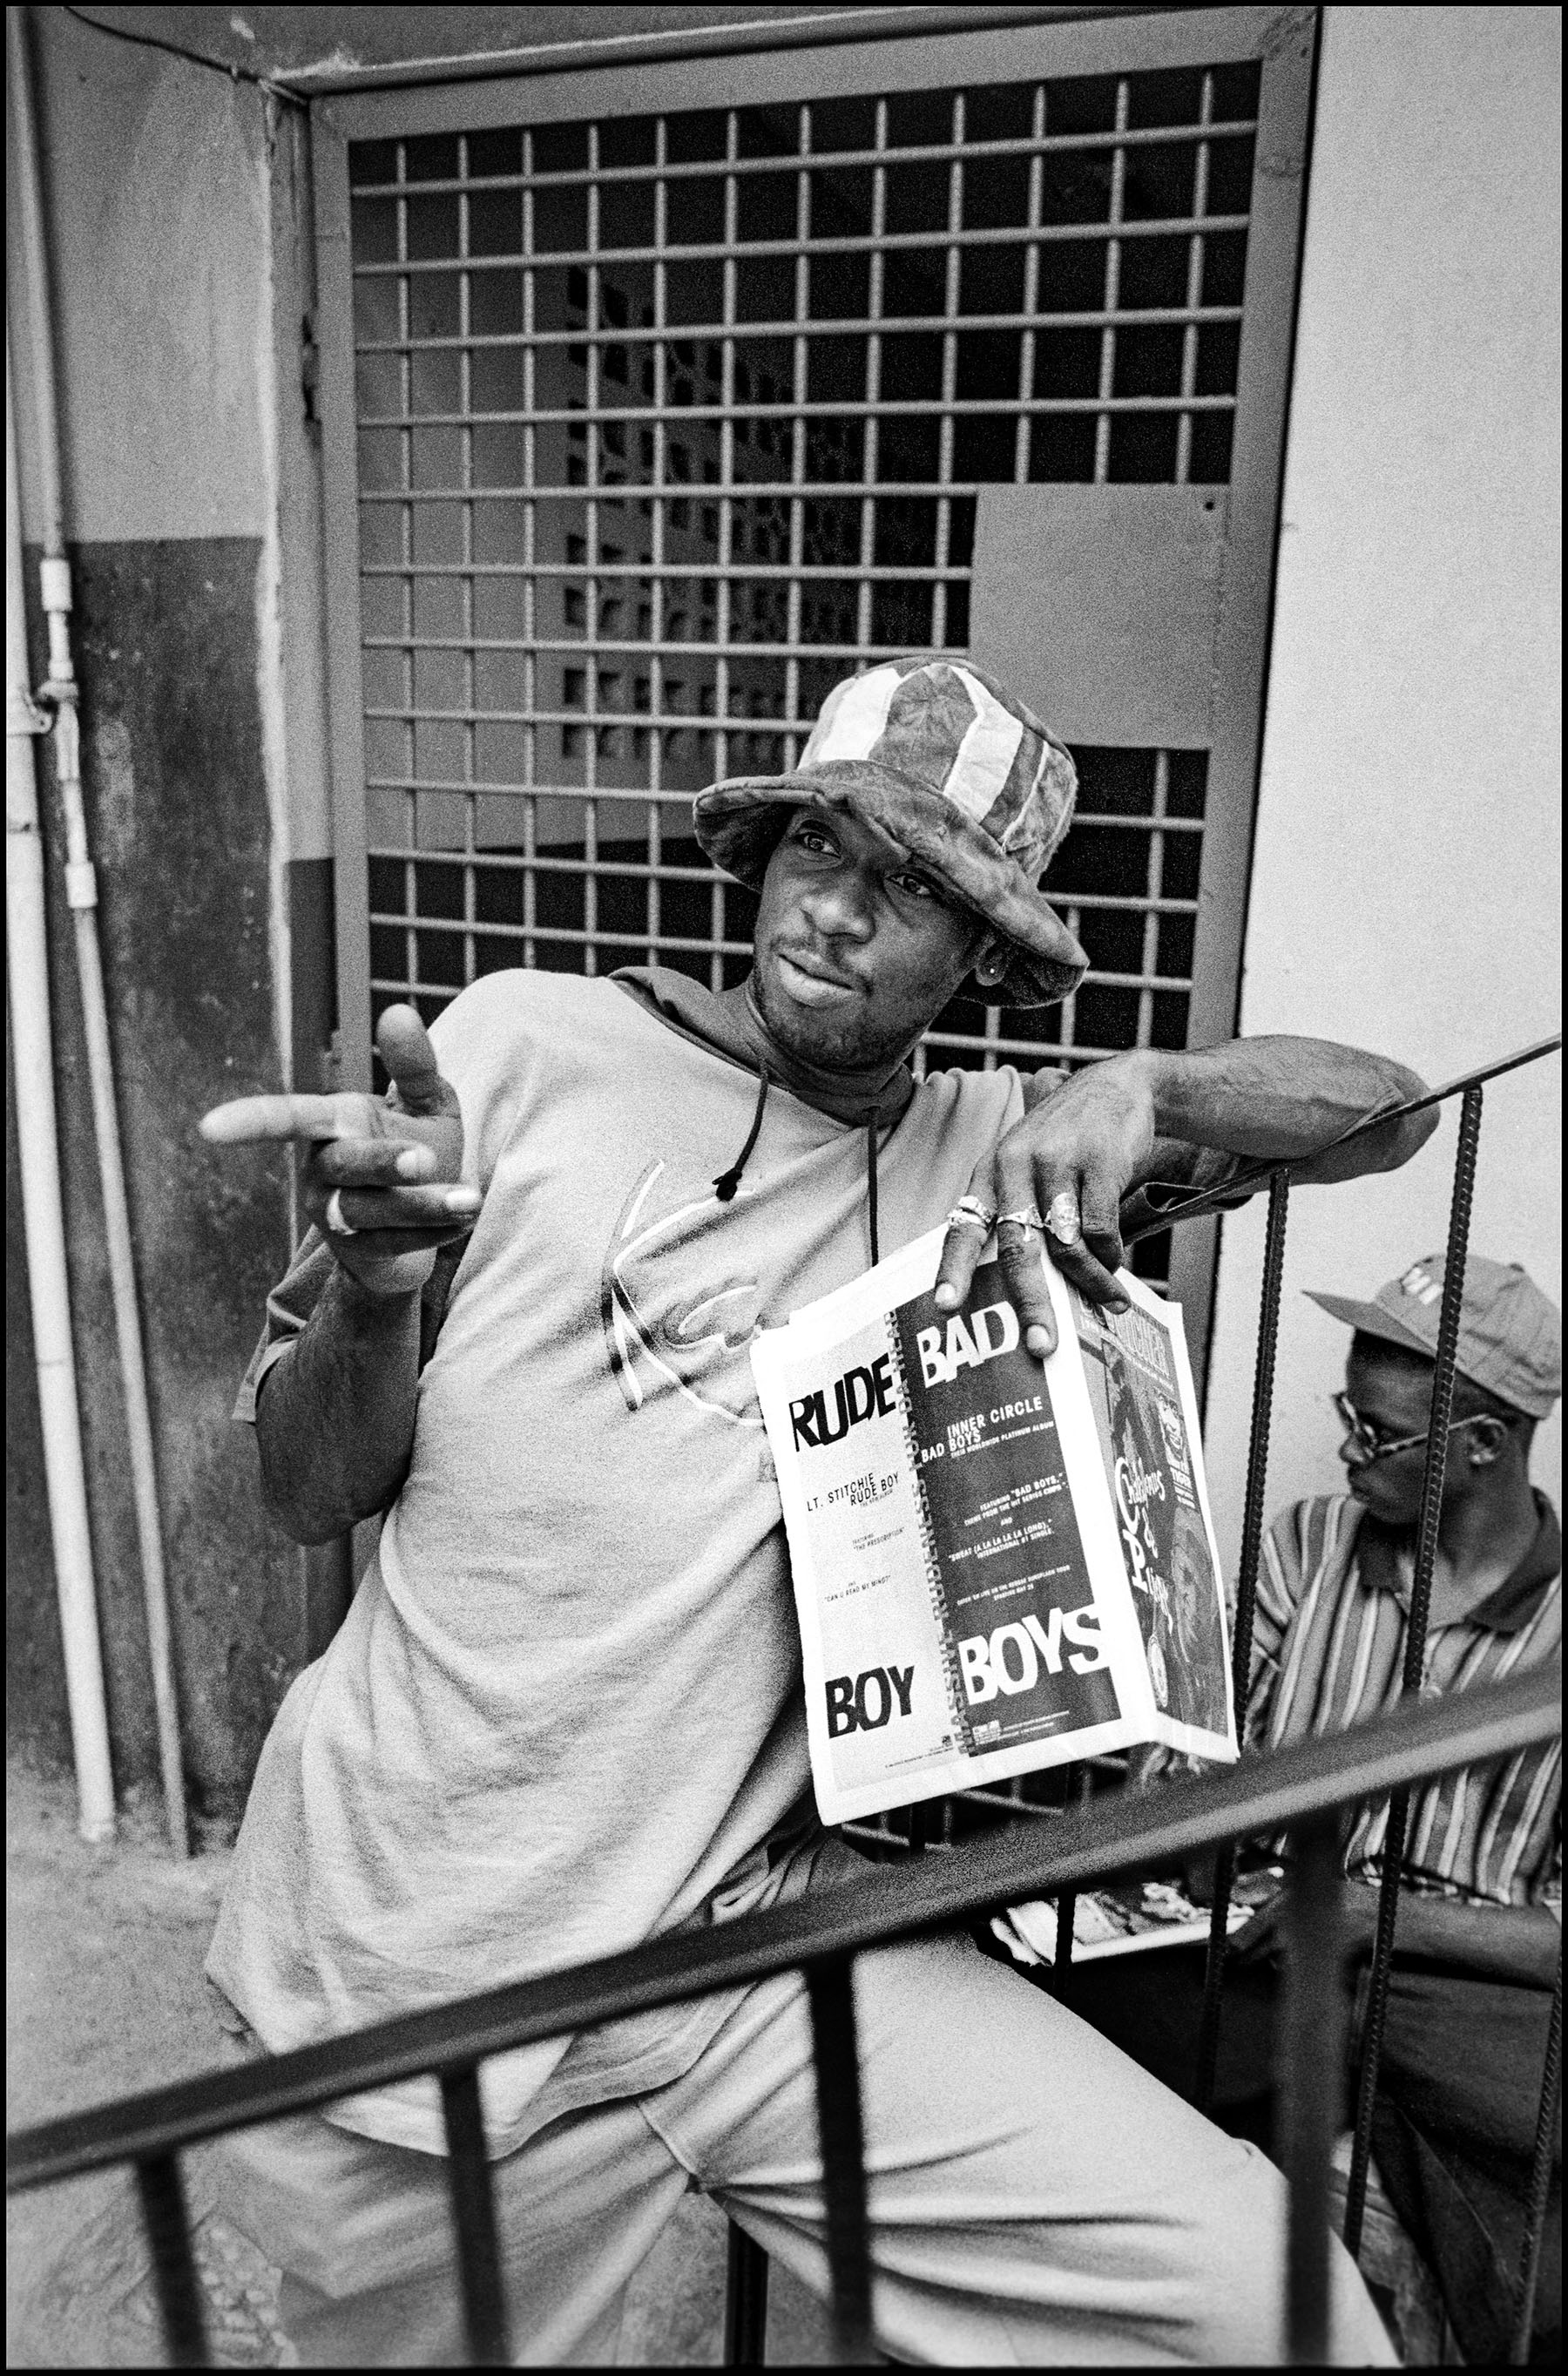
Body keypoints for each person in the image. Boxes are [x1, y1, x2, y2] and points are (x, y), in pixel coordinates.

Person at [197, 654, 1428, 2366]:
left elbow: (1387, 1110)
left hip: (758, 1949)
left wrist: (1152, 1086)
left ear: (986, 954)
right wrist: (377, 1283)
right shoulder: (517, 1049)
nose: (839, 910)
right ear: (761, 856)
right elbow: (301, 1490)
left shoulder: (996, 1155)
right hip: (436, 1952)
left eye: (913, 885)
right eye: (818, 847)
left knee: (1268, 2304)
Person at [1078, 1253, 1563, 2365]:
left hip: (1457, 1983)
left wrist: (1374, 1919)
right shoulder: (1306, 1545)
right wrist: (1185, 1809)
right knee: (1063, 2013)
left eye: (1378, 1434)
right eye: (1347, 1415)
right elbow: (1191, 1754)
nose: (1348, 1449)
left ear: (1483, 1445)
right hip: (1266, 1946)